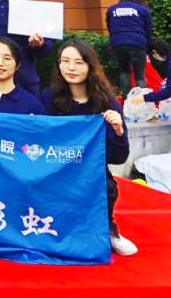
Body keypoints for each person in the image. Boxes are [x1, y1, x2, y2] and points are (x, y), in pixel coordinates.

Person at [44, 38, 135, 256]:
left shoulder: (107, 103)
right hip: (55, 170)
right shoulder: (49, 97)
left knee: (107, 186)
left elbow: (118, 157)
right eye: (65, 61)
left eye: (78, 62)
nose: (71, 68)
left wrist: (118, 131)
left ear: (90, 66)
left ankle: (107, 230)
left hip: (92, 172)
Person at [105, 0, 154, 95]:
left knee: (124, 70)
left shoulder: (112, 9)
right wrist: (147, 47)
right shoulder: (143, 10)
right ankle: (142, 100)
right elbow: (148, 30)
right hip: (137, 42)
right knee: (139, 75)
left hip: (117, 43)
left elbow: (110, 27)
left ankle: (125, 99)